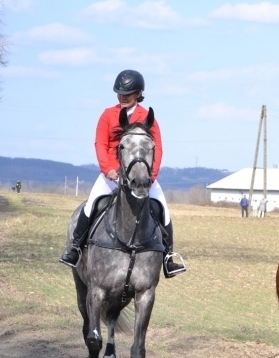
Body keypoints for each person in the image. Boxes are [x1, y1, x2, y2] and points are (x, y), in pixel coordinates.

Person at [59, 69, 186, 278]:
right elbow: (100, 144)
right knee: (91, 204)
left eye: (127, 93)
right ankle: (74, 248)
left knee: (162, 207)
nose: (122, 97)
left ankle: (168, 257)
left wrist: (150, 176)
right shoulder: (108, 115)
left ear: (139, 93)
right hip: (113, 174)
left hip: (142, 176)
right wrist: (108, 170)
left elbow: (158, 148)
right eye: (119, 93)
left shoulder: (147, 117)